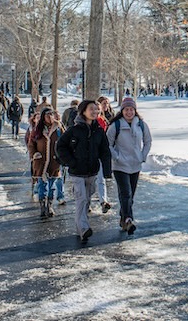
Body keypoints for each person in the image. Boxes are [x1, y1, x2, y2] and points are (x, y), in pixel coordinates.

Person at [56, 100, 112, 243]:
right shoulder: (74, 129)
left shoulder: (99, 130)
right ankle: (83, 228)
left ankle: (81, 225)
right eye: (91, 109)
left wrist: (106, 171)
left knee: (86, 199)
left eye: (96, 109)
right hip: (77, 172)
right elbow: (60, 146)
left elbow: (105, 151)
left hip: (92, 171)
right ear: (83, 111)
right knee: (81, 199)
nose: (95, 112)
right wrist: (70, 162)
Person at [107, 96, 152, 236]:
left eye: (131, 109)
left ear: (135, 110)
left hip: (135, 165)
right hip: (120, 165)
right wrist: (116, 157)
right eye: (126, 109)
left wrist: (142, 156)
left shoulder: (141, 125)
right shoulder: (116, 125)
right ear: (122, 110)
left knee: (130, 195)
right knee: (125, 193)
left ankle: (123, 219)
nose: (129, 112)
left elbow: (148, 141)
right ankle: (129, 219)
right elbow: (107, 144)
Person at [28, 108, 63, 219]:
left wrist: (63, 156)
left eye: (51, 114)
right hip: (41, 161)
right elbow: (31, 144)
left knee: (52, 185)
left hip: (54, 162)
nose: (49, 116)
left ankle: (50, 205)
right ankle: (42, 206)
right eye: (47, 114)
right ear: (43, 116)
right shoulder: (37, 130)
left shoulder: (58, 128)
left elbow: (65, 142)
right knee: (42, 185)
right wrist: (34, 154)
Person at [95, 96, 116, 211]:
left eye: (107, 103)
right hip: (89, 153)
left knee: (100, 178)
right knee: (89, 180)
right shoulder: (87, 120)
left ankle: (103, 201)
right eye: (103, 103)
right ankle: (86, 202)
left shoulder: (107, 118)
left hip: (102, 152)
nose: (105, 106)